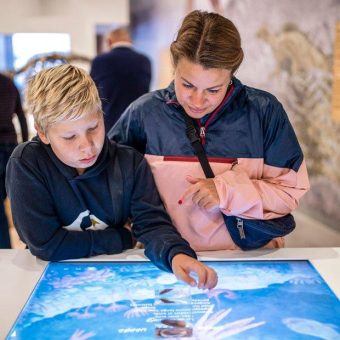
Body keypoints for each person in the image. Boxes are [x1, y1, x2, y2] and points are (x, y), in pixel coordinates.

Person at [109, 10, 310, 251]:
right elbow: (109, 182)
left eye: (213, 90)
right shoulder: (144, 113)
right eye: (187, 85)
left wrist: (227, 191)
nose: (197, 100)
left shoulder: (264, 112)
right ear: (174, 67)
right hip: (166, 260)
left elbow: (289, 193)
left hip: (249, 258)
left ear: (231, 75)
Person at [5, 64, 217, 289]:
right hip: (51, 281)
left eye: (93, 128)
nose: (87, 146)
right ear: (43, 133)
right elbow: (46, 244)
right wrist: (123, 238)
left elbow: (151, 224)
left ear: (101, 115)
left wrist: (176, 255)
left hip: (114, 281)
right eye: (69, 137)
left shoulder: (129, 162)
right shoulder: (27, 163)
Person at [90, 27, 152, 133]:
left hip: (110, 126)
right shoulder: (145, 60)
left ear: (109, 42)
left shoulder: (100, 61)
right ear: (130, 41)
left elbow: (92, 94)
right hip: (139, 125)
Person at [0, 73, 28, 248]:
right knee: (18, 199)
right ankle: (27, 242)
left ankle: (4, 249)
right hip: (11, 146)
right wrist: (25, 146)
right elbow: (21, 117)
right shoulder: (9, 83)